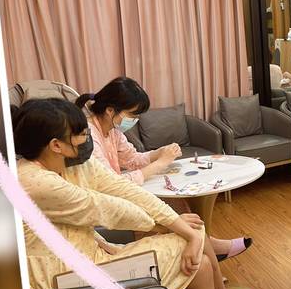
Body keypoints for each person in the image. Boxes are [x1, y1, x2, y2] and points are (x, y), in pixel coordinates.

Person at [13, 98, 249, 289]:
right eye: (81, 136)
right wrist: (166, 225)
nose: (86, 141)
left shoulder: (73, 164)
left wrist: (176, 222)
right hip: (62, 275)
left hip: (93, 255)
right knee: (195, 245)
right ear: (56, 145)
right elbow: (107, 208)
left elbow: (125, 190)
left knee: (198, 253)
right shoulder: (33, 181)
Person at [76, 77, 251, 262]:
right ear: (110, 110)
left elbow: (132, 159)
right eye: (132, 115)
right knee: (179, 214)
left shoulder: (113, 131)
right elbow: (112, 185)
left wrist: (158, 153)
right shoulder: (88, 137)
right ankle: (208, 252)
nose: (135, 120)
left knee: (178, 206)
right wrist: (159, 164)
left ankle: (207, 249)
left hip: (120, 195)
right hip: (108, 204)